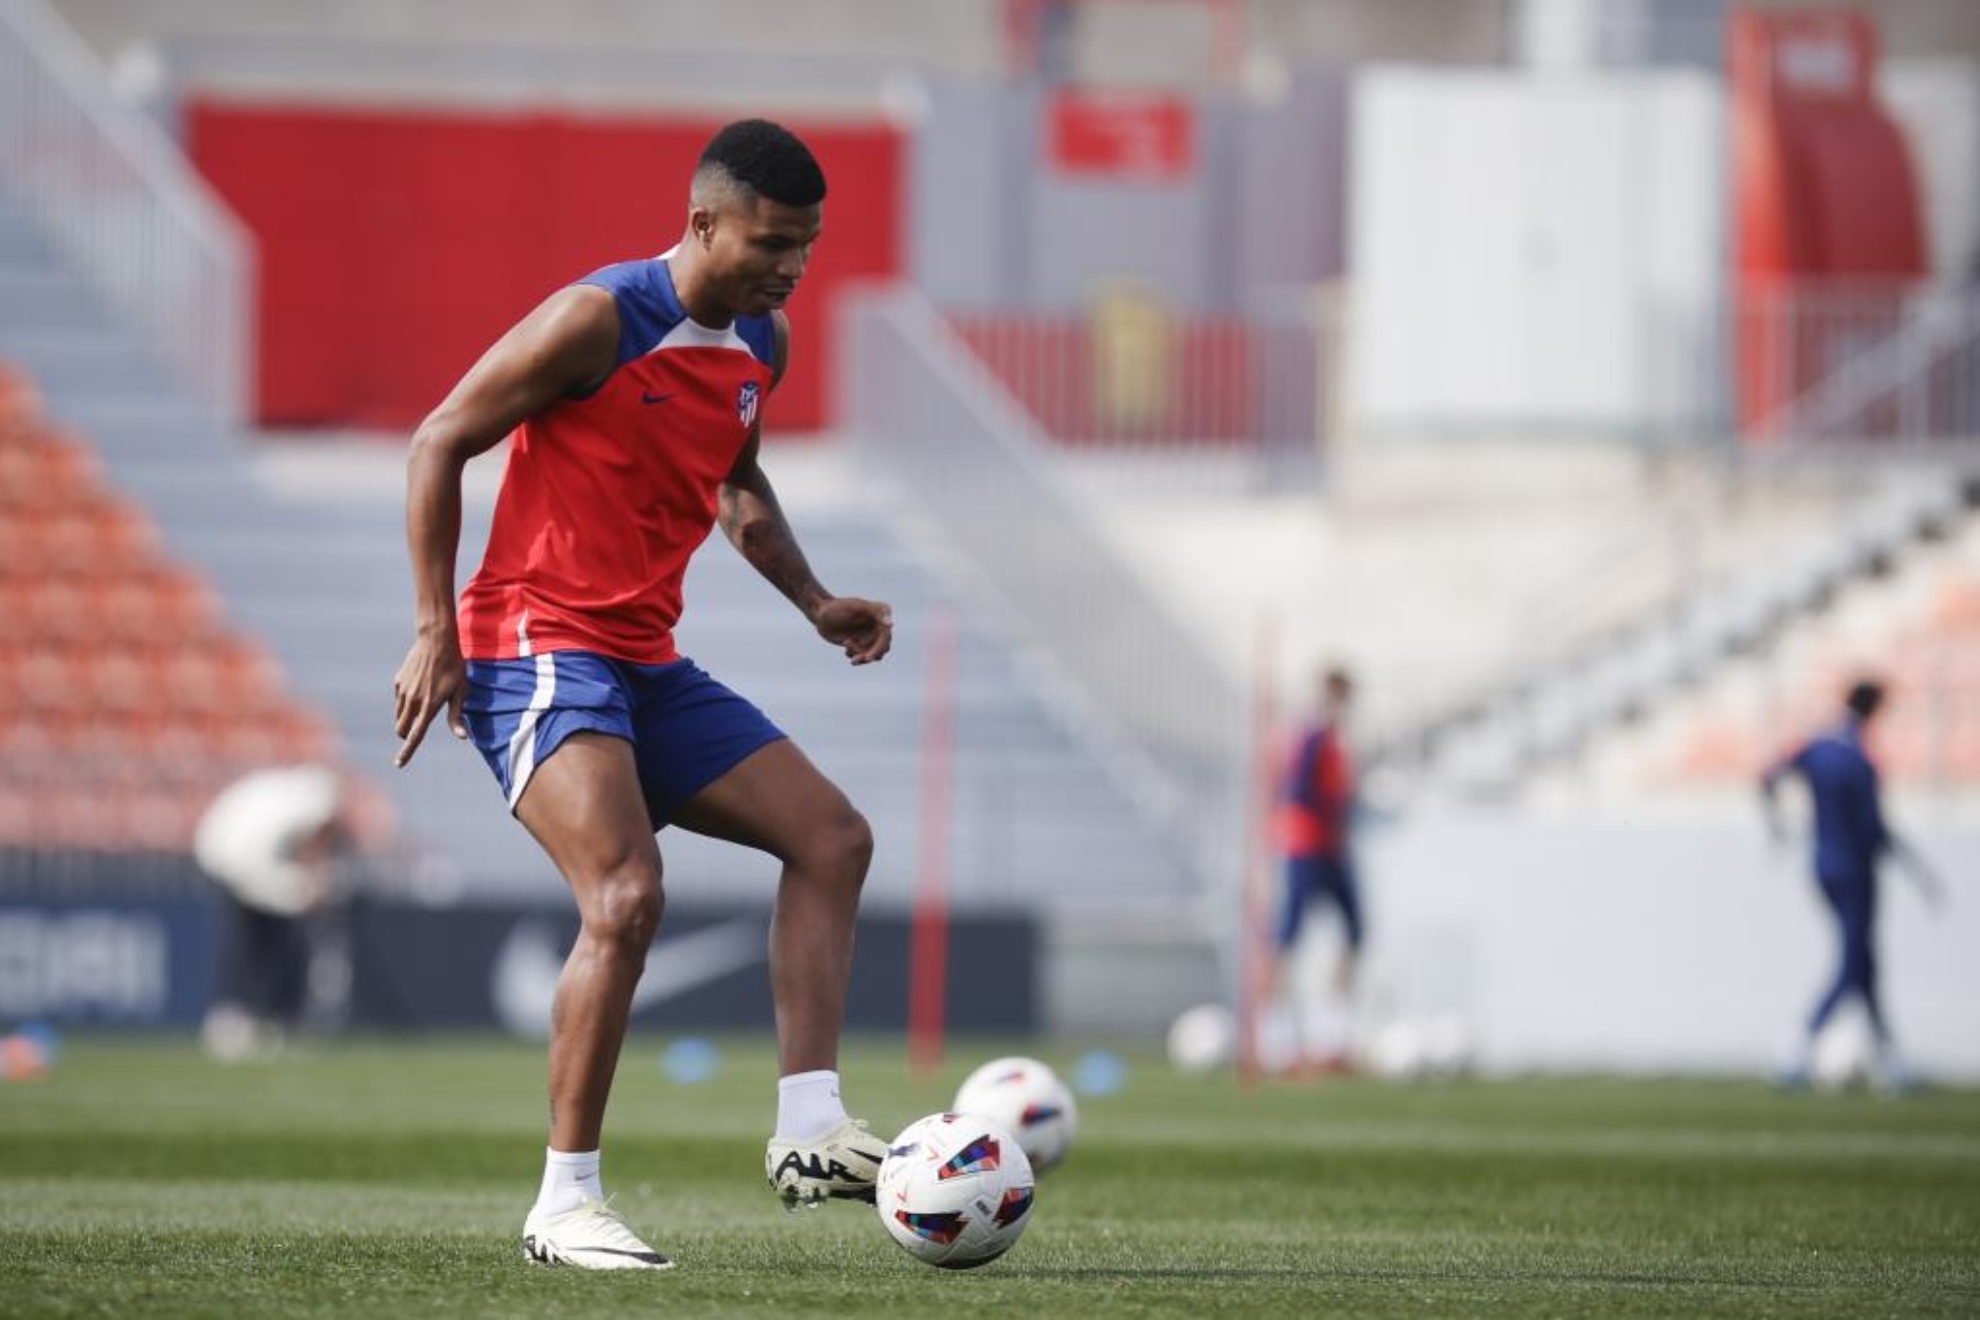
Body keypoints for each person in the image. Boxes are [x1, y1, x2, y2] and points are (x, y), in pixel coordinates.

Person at [391, 120, 894, 1271]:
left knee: (832, 838)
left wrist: (815, 602)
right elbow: (438, 441)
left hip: (640, 656)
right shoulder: (598, 319)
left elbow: (735, 478)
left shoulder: (762, 339)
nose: (792, 265)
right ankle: (564, 1206)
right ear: (705, 222)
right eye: (773, 241)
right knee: (625, 895)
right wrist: (435, 631)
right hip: (529, 640)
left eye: (807, 245)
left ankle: (811, 1129)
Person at [1761, 678, 1947, 1090]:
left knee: (1863, 962)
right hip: (1856, 870)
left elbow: (1767, 776)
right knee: (1855, 962)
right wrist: (1919, 873)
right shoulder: (1861, 758)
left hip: (1822, 864)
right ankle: (1799, 1042)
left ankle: (1889, 1059)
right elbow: (1876, 827)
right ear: (1875, 709)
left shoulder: (1817, 745)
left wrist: (1776, 828)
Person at [193, 763, 350, 1061]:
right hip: (237, 859)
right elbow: (270, 870)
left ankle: (267, 1019)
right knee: (259, 943)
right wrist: (303, 890)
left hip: (227, 848)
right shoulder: (308, 807)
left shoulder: (297, 798)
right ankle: (249, 1019)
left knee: (266, 940)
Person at [1265, 665, 1364, 1071]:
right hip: (1306, 845)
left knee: (1355, 932)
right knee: (1287, 938)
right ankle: (1280, 1041)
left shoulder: (1337, 740)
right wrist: (1332, 811)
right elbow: (1298, 788)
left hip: (1333, 848)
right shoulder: (1311, 735)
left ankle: (1331, 1037)